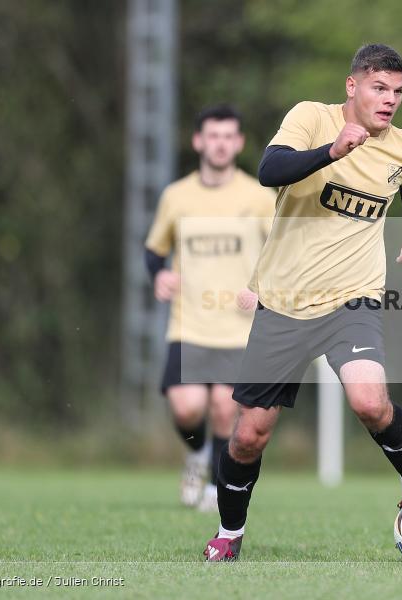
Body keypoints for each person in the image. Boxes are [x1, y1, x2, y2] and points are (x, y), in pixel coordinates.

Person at [204, 44, 402, 561]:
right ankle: (229, 533)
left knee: (369, 401)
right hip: (283, 302)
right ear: (352, 86)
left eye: (398, 92)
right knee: (249, 437)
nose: (390, 100)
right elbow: (269, 169)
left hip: (353, 299)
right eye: (379, 88)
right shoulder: (311, 117)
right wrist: (331, 152)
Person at [145, 105, 275, 512]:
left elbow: (281, 252)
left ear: (238, 143)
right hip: (189, 324)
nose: (220, 144)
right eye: (212, 136)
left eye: (228, 136)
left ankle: (216, 489)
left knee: (224, 406)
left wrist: (262, 290)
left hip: (237, 328)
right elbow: (155, 250)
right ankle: (197, 455)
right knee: (187, 408)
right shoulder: (177, 196)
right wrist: (159, 276)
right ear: (199, 141)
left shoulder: (257, 196)